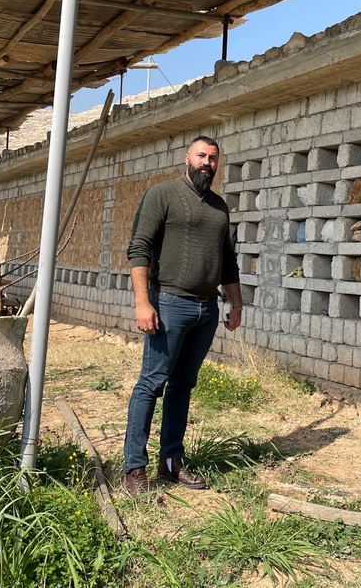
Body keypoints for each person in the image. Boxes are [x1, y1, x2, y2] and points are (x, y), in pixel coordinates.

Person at [123, 135, 243, 495]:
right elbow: (139, 248)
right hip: (169, 304)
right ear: (186, 158)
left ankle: (171, 461)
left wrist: (236, 304)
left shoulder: (219, 208)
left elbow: (229, 261)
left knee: (183, 386)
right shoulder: (162, 194)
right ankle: (134, 468)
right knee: (151, 383)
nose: (207, 162)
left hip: (207, 309)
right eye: (201, 155)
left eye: (213, 158)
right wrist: (143, 303)